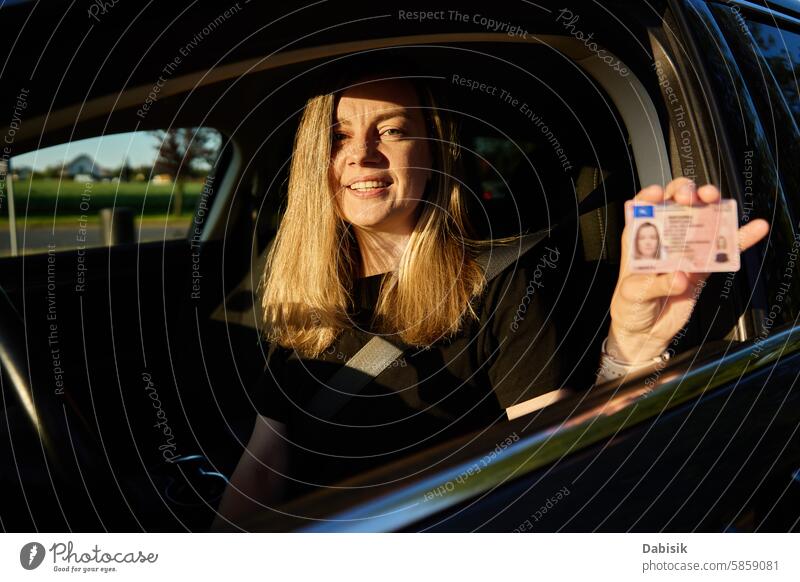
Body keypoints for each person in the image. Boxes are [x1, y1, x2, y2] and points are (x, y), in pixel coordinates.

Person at [212, 74, 769, 529]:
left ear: (434, 150)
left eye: (394, 131)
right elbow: (265, 468)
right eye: (338, 136)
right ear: (316, 159)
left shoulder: (503, 286)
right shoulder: (301, 293)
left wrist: (634, 344)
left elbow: (554, 472)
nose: (362, 156)